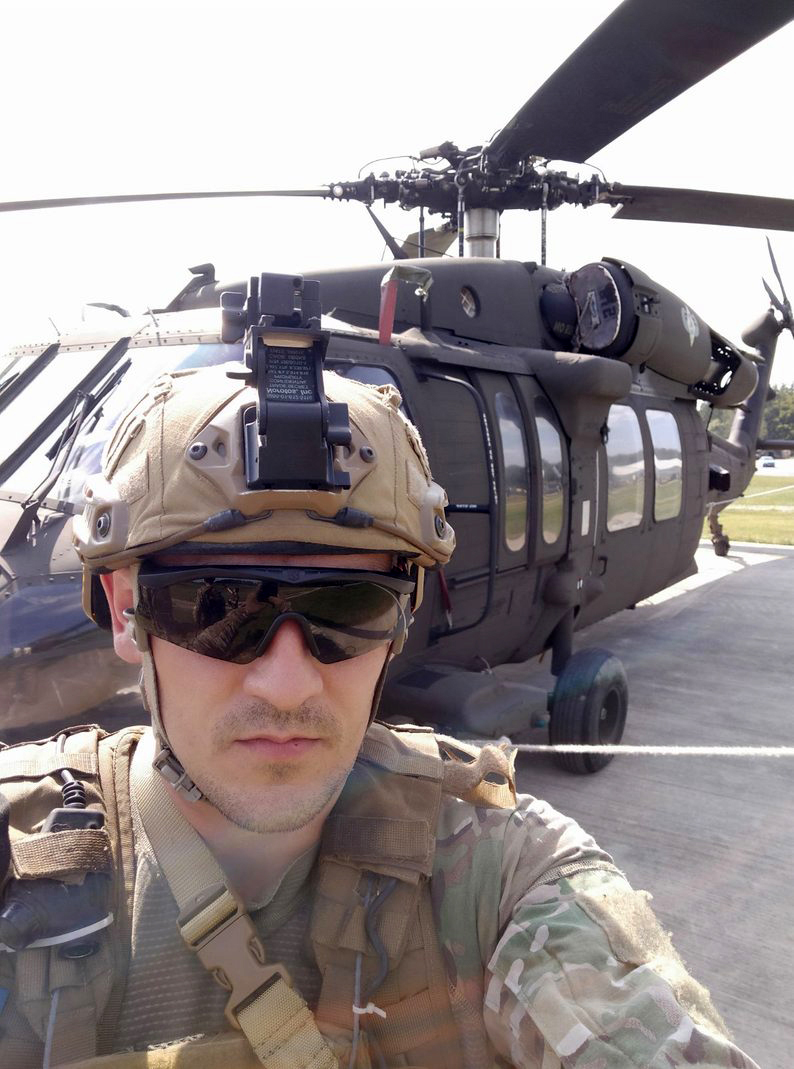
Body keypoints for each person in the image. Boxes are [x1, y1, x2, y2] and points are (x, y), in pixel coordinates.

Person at [0, 361, 759, 1069]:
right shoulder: (21, 851)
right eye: (214, 607)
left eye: (351, 605)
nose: (288, 684)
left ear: (401, 618)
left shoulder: (499, 872)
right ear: (126, 611)